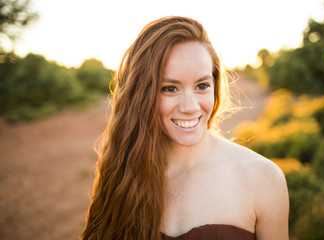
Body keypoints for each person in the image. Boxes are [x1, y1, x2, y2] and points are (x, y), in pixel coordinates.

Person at [80, 16, 289, 240]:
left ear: (215, 86)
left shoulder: (263, 179)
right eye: (170, 88)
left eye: (202, 86)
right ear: (141, 95)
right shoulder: (123, 170)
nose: (190, 107)